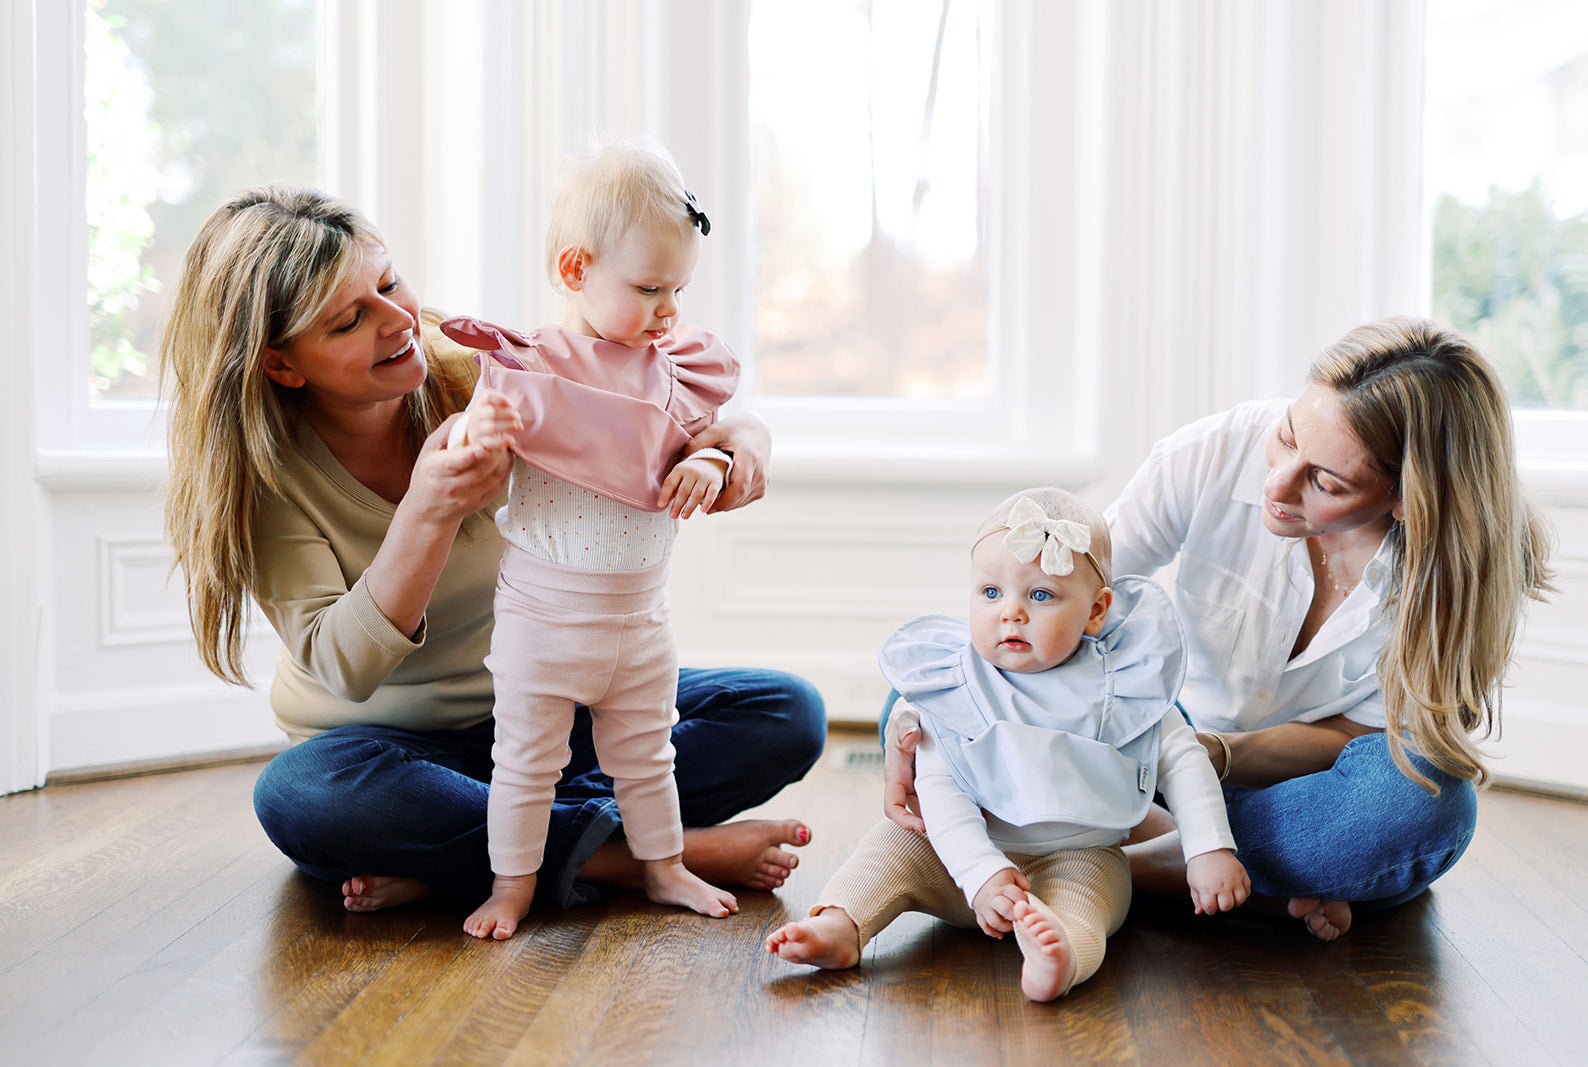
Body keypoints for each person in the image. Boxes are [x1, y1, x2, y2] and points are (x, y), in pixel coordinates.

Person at [157, 182, 825, 922]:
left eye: (388, 283)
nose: (398, 320)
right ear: (284, 365)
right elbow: (347, 668)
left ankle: (469, 857)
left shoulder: (481, 370)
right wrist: (429, 508)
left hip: (544, 700)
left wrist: (739, 443)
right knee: (301, 795)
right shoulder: (267, 479)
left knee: (782, 710)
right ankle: (644, 857)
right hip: (390, 748)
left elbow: (656, 416)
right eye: (350, 319)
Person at [880, 318, 1555, 941]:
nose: (1277, 484)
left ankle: (1124, 867)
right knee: (934, 693)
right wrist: (923, 717)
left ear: (1406, 500)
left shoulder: (1450, 574)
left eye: (1323, 480)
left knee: (1424, 801)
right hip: (1153, 749)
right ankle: (1239, 877)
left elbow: (1363, 739)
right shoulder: (1216, 451)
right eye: (1288, 435)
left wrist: (1218, 754)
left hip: (1286, 783)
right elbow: (1072, 598)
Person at [767, 489, 1249, 1001]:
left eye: (1040, 595)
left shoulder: (1121, 684)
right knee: (892, 846)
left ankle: (1060, 956)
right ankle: (841, 925)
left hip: (1078, 856)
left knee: (1091, 905)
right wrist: (982, 874)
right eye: (991, 593)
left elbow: (1184, 759)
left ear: (1096, 610)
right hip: (958, 859)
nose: (1011, 613)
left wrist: (1208, 848)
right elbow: (941, 790)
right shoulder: (955, 687)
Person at [445, 142, 747, 938]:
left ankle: (665, 867)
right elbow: (477, 438)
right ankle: (512, 885)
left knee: (649, 758)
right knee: (525, 765)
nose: (668, 311)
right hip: (545, 624)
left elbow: (714, 432)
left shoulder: (673, 368)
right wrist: (484, 430)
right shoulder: (528, 365)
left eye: (677, 289)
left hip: (642, 624)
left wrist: (712, 458)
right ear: (575, 269)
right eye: (649, 289)